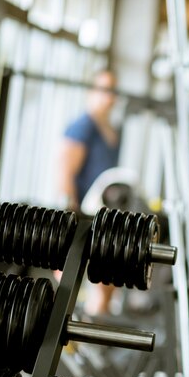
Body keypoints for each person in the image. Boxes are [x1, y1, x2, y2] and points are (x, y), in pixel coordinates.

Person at [57, 69, 120, 315]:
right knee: (67, 279)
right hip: (79, 213)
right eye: (104, 89)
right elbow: (64, 172)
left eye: (113, 90)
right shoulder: (83, 126)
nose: (109, 96)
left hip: (100, 214)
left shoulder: (110, 130)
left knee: (107, 280)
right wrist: (71, 214)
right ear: (91, 91)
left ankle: (93, 334)